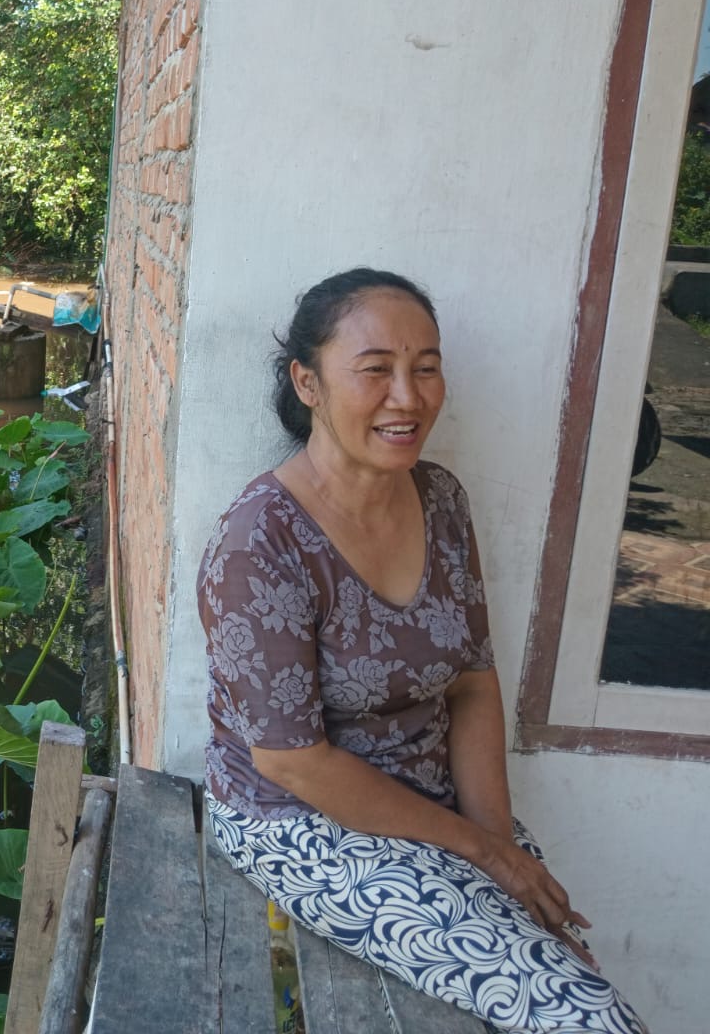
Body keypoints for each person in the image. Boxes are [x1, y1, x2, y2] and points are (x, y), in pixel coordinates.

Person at [198, 268, 646, 1034]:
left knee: (559, 966)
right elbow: (292, 760)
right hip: (303, 821)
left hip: (435, 800)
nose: (408, 397)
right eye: (375, 371)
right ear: (307, 382)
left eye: (426, 368)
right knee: (585, 1015)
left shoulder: (439, 497)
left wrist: (499, 846)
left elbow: (472, 683)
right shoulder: (260, 542)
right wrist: (479, 850)